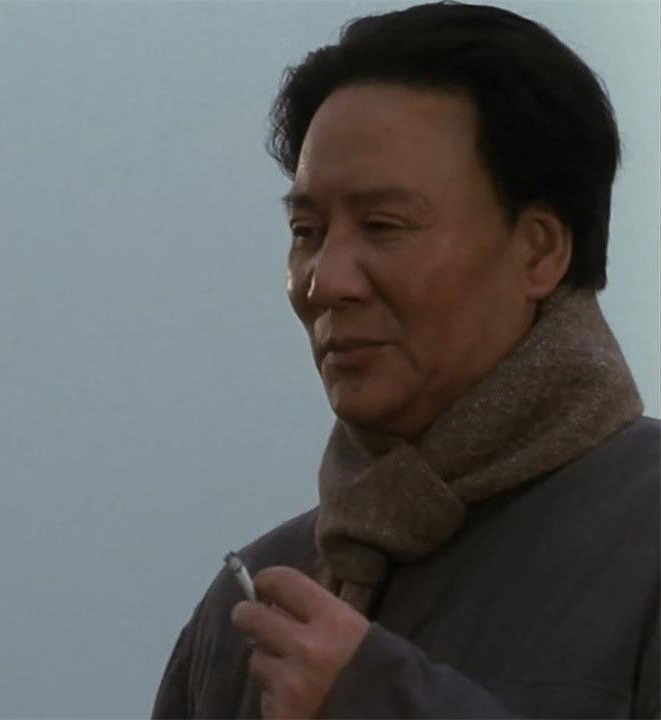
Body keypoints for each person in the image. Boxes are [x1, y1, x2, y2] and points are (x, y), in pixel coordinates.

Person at [152, 3, 658, 718]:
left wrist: (376, 700)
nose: (325, 281)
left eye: (383, 226)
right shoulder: (252, 607)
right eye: (306, 230)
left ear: (539, 250)